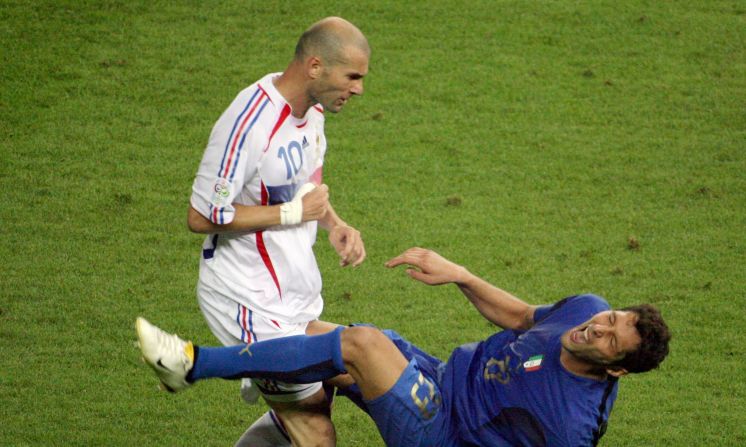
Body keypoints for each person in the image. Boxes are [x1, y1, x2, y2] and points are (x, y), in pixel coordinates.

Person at [137, 247, 671, 446]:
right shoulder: (585, 310)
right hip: (439, 377)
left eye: (609, 340)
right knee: (316, 340)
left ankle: (192, 364)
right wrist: (461, 274)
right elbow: (523, 316)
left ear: (616, 371)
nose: (597, 328)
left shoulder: (569, 425)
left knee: (363, 346)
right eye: (611, 318)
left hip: (442, 432)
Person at [185, 16, 369, 446]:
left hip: (292, 289)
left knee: (324, 394)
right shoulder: (249, 121)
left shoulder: (313, 113)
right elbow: (201, 215)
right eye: (353, 76)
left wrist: (333, 223)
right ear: (316, 66)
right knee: (314, 431)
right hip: (245, 296)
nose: (358, 88)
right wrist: (291, 213)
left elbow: (306, 183)